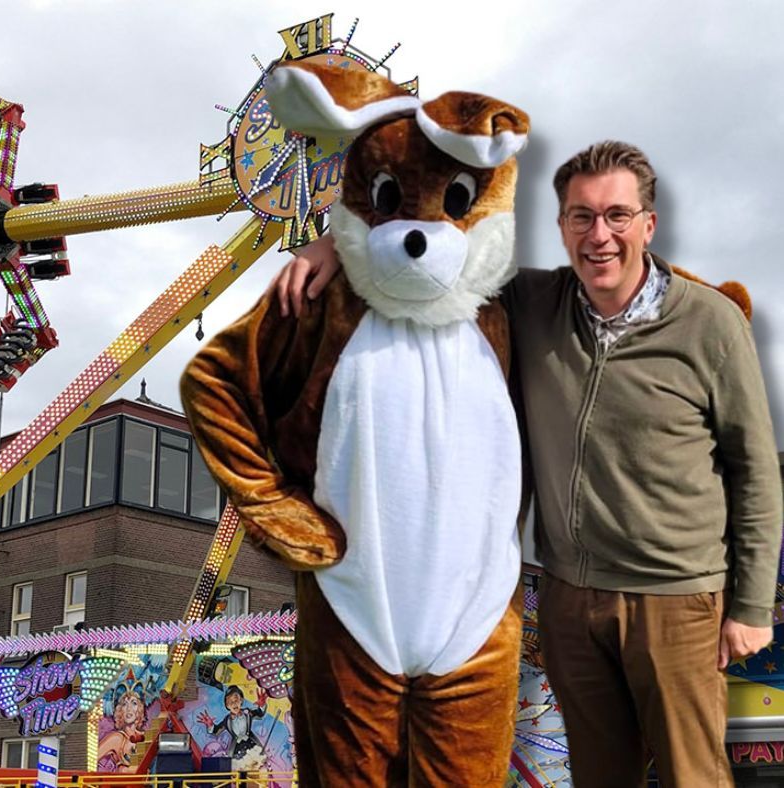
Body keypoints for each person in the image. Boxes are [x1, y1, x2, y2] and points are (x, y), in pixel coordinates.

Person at [272, 140, 782, 787]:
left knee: (692, 776)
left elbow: (754, 469)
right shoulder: (534, 302)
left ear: (649, 224)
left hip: (675, 599)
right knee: (598, 776)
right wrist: (333, 247)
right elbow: (430, 256)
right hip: (571, 601)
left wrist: (751, 607)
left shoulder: (709, 323)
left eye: (618, 215)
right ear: (562, 225)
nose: (600, 235)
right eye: (581, 216)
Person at [198, 685, 269, 771]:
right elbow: (216, 731)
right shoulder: (227, 720)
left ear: (241, 700)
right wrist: (210, 725)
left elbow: (259, 713)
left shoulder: (247, 713)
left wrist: (262, 705)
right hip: (237, 747)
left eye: (236, 700)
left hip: (252, 743)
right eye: (230, 702)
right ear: (227, 706)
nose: (234, 704)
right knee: (240, 767)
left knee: (258, 764)